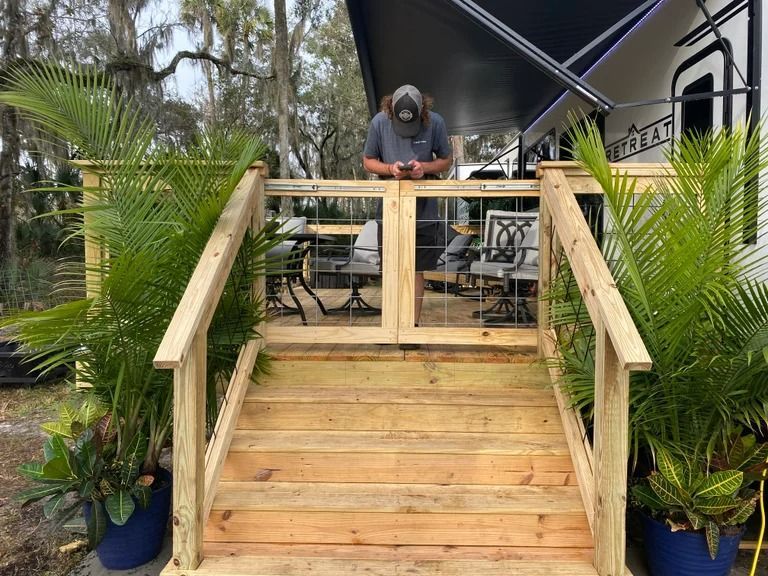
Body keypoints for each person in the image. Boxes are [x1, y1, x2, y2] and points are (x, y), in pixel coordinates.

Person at [362, 84, 453, 327]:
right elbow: (368, 160)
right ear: (390, 109)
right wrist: (389, 169)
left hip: (424, 211)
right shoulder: (379, 123)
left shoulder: (436, 122)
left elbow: (446, 160)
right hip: (389, 210)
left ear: (423, 110)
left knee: (415, 269)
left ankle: (411, 326)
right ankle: (391, 325)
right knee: (390, 267)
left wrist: (425, 168)